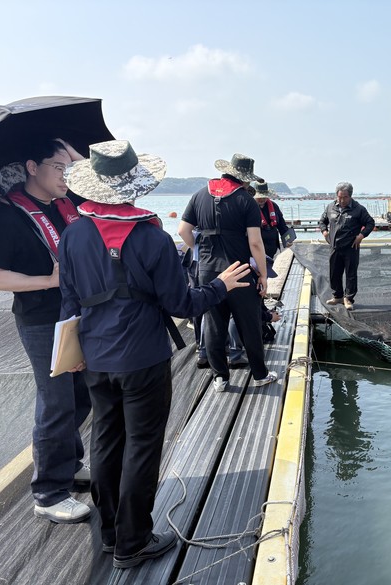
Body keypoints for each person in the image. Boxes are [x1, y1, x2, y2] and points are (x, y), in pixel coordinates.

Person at [58, 140, 251, 569]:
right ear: (137, 186)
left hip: (95, 356)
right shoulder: (152, 237)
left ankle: (111, 534)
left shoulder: (73, 233)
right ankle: (134, 541)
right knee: (142, 447)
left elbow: (69, 300)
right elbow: (181, 304)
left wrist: (72, 350)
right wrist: (220, 285)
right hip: (143, 356)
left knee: (105, 441)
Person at [0, 138, 92, 524]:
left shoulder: (68, 206)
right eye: (59, 168)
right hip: (42, 319)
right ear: (32, 167)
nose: (67, 176)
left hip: (76, 312)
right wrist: (48, 280)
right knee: (56, 402)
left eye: (69, 169)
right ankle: (48, 492)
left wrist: (71, 155)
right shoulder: (7, 217)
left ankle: (69, 463)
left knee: (81, 396)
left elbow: (98, 186)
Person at [177, 153, 278, 392]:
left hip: (208, 272)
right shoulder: (246, 200)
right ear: (244, 178)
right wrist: (263, 275)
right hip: (239, 270)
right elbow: (255, 243)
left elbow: (182, 231)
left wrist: (201, 251)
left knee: (214, 325)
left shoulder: (199, 195)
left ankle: (220, 378)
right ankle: (260, 374)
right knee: (249, 324)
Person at [317, 181, 375, 310]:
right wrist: (325, 232)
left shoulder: (359, 209)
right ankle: (337, 296)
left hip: (351, 247)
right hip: (334, 246)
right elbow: (322, 221)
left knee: (351, 274)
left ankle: (348, 298)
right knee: (334, 273)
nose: (342, 200)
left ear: (350, 196)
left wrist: (361, 236)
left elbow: (370, 223)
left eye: (345, 197)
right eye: (339, 197)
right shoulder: (330, 207)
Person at [253, 181, 292, 259]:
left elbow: (282, 225)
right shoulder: (250, 207)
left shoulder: (274, 206)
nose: (262, 199)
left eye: (264, 197)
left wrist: (288, 239)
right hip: (257, 248)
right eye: (259, 197)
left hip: (273, 247)